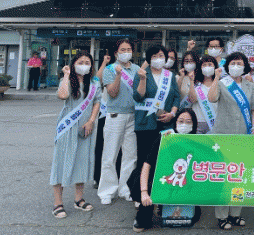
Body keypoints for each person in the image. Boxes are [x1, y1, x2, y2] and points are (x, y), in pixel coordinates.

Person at [50, 51, 109, 218]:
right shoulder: (69, 80)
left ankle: (79, 199)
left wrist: (91, 121)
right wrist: (66, 75)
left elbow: (97, 101)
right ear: (74, 64)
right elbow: (62, 95)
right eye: (80, 62)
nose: (84, 65)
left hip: (86, 126)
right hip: (68, 126)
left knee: (82, 162)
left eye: (87, 62)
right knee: (61, 162)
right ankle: (57, 203)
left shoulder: (94, 82)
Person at [208, 51, 254, 230]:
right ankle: (222, 216)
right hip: (223, 134)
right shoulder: (223, 83)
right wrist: (216, 77)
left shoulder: (250, 85)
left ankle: (235, 213)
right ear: (227, 66)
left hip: (243, 135)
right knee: (224, 176)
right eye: (233, 63)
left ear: (245, 66)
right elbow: (211, 98)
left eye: (239, 63)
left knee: (239, 176)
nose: (236, 66)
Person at [131, 108, 198, 232]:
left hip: (185, 180)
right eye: (181, 121)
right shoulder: (166, 137)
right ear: (175, 122)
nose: (184, 125)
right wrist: (144, 192)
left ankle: (166, 206)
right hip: (162, 178)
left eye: (188, 122)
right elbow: (147, 165)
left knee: (194, 212)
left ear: (194, 124)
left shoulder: (197, 142)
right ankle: (144, 212)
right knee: (140, 225)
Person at [97, 39, 140, 205]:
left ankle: (126, 189)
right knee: (110, 154)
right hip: (115, 115)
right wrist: (118, 75)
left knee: (130, 155)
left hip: (133, 115)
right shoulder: (109, 69)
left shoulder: (136, 69)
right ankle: (107, 191)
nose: (126, 52)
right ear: (116, 53)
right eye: (123, 50)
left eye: (129, 49)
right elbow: (112, 93)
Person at [132, 45, 181, 166]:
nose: (158, 59)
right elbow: (138, 97)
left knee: (164, 158)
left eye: (161, 56)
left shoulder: (170, 75)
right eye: (154, 56)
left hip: (166, 123)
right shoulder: (141, 74)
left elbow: (176, 97)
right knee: (144, 159)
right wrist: (143, 79)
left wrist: (172, 114)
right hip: (145, 123)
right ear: (149, 59)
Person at [182, 53, 219, 134]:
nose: (207, 67)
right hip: (198, 121)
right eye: (204, 65)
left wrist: (217, 77)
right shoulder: (196, 84)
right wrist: (191, 80)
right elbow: (192, 99)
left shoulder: (219, 83)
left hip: (214, 122)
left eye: (210, 64)